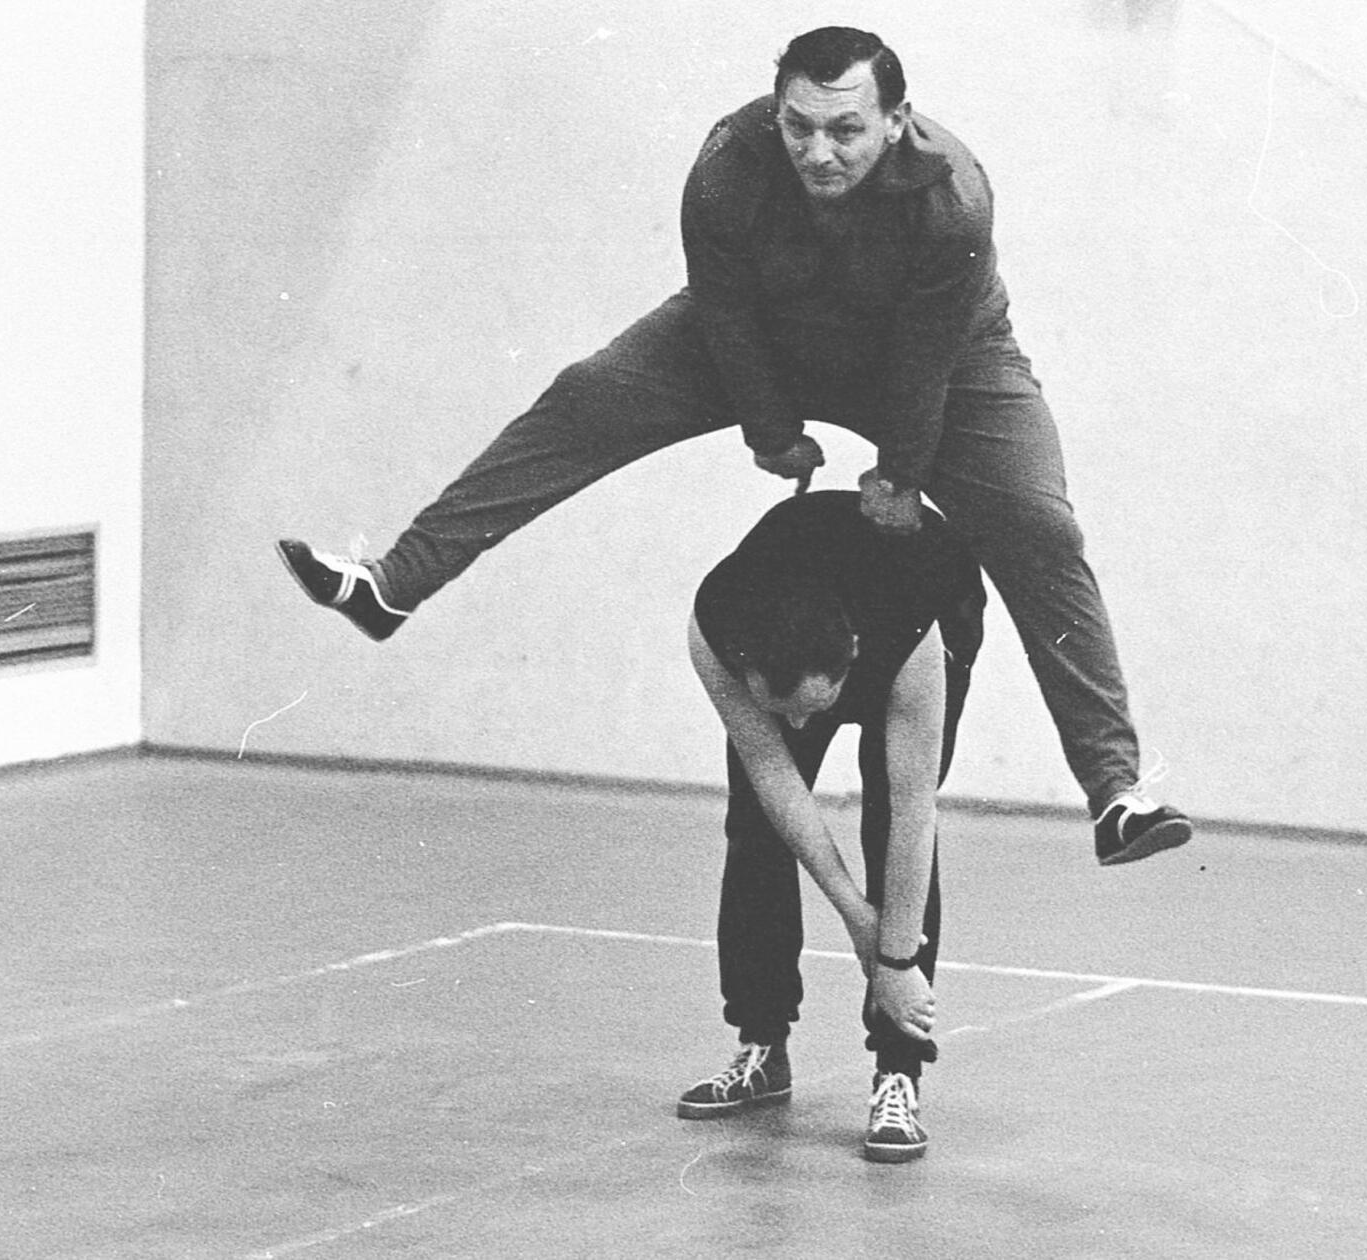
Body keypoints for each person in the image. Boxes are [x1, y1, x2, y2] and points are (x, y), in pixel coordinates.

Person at [277, 26, 1191, 866]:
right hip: (762, 329)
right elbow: (722, 312)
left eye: (845, 130)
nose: (818, 152)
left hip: (940, 356)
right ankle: (395, 583)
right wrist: (772, 432)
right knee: (585, 398)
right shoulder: (727, 164)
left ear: (896, 122)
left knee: (1038, 525)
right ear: (775, 111)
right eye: (799, 126)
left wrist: (901, 476)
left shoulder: (952, 196)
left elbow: (924, 361)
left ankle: (1114, 792)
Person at [674, 488, 983, 1163]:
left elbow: (911, 809)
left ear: (850, 661)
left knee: (886, 822)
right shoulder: (716, 624)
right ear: (746, 664)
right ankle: (762, 1044)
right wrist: (855, 917)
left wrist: (894, 959)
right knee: (755, 825)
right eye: (783, 712)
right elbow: (772, 773)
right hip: (799, 609)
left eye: (818, 708)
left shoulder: (912, 633)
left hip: (930, 596)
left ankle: (898, 1071)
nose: (803, 730)